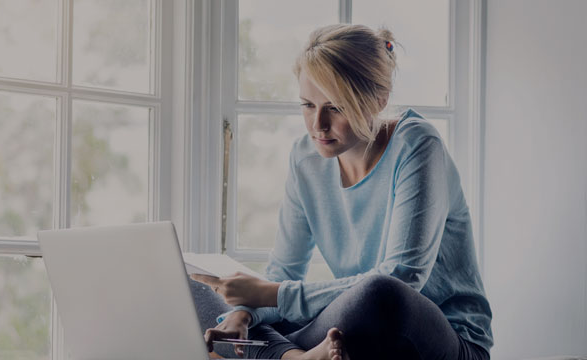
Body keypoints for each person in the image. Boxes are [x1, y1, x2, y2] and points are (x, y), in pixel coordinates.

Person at [190, 24, 493, 360]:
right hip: (351, 333)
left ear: (379, 100)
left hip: (439, 337)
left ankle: (271, 354)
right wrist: (244, 314)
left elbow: (404, 279)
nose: (318, 124)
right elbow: (285, 272)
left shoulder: (418, 145)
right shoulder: (305, 158)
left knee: (379, 293)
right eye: (307, 104)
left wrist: (271, 295)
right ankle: (294, 357)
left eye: (335, 107)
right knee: (198, 290)